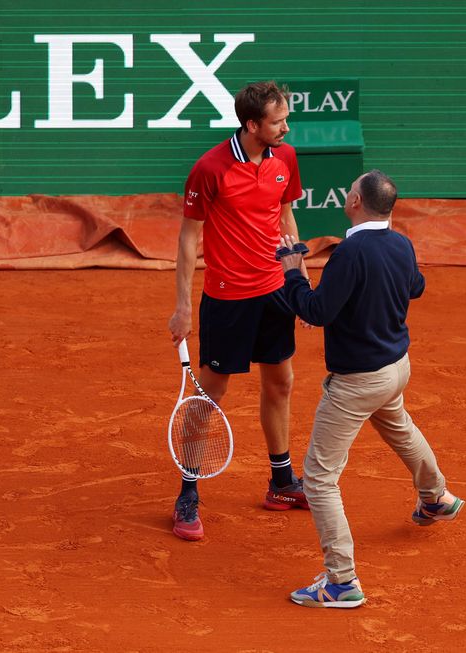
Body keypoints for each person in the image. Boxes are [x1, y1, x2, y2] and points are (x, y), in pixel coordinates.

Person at [276, 169, 464, 608]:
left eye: (351, 190)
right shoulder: (400, 243)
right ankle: (435, 497)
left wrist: (293, 272)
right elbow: (413, 287)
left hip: (358, 381)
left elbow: (317, 311)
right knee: (400, 426)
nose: (348, 193)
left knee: (320, 480)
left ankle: (341, 582)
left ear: (356, 201)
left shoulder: (351, 252)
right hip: (395, 367)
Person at [167, 81, 309, 542]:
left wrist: (300, 282)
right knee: (209, 394)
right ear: (252, 125)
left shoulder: (285, 157)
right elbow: (190, 238)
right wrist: (183, 306)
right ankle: (187, 492)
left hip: (274, 290)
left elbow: (286, 220)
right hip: (227, 297)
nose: (286, 127)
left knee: (281, 381)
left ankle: (282, 482)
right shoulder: (211, 168)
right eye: (278, 121)